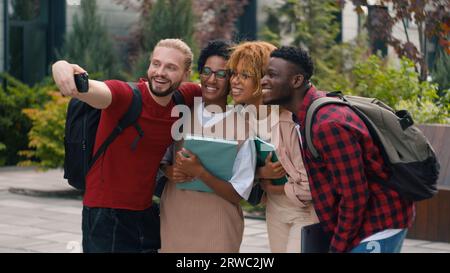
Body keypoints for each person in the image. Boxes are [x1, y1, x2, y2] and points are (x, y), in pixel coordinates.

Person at [52, 39, 202, 253]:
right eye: (156, 64)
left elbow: (214, 87)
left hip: (146, 212)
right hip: (106, 214)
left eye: (171, 67)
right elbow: (92, 89)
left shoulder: (183, 98)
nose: (160, 72)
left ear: (186, 74)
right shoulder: (123, 96)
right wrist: (61, 67)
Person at [261, 46, 415, 253]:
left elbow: (354, 196)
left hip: (376, 224)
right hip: (361, 223)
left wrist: (336, 247)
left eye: (272, 75)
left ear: (297, 80)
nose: (263, 80)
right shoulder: (306, 114)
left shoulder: (327, 125)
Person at [159, 40, 256, 253]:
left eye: (221, 74)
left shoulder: (245, 127)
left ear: (232, 80)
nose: (212, 80)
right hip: (175, 216)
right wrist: (170, 171)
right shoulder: (180, 113)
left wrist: (200, 172)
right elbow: (161, 160)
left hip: (219, 223)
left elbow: (238, 194)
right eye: (207, 71)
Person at [227, 41, 318, 253]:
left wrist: (271, 186)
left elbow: (310, 184)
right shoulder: (242, 115)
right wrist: (261, 173)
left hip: (305, 210)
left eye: (245, 75)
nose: (235, 81)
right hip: (275, 208)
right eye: (234, 73)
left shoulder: (288, 117)